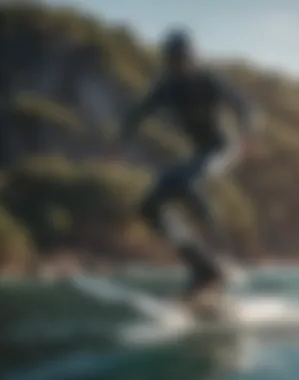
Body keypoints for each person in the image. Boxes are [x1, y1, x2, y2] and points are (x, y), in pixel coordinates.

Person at [118, 29, 259, 300]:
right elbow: (137, 113)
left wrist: (247, 135)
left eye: (183, 59)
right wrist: (119, 141)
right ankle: (201, 266)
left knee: (185, 182)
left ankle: (221, 252)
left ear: (193, 59)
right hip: (198, 155)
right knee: (149, 206)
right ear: (167, 61)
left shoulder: (208, 81)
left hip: (224, 149)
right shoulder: (166, 87)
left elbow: (245, 107)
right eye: (173, 60)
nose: (179, 65)